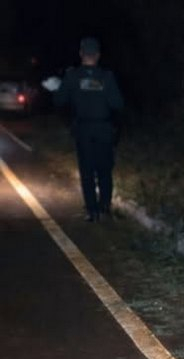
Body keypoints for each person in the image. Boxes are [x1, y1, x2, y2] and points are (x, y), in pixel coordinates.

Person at [43, 37, 123, 221]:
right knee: (104, 170)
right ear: (98, 55)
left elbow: (59, 101)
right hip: (103, 128)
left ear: (81, 54)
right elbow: (118, 104)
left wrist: (62, 90)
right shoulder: (107, 77)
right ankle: (104, 208)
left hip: (83, 129)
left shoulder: (72, 76)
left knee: (87, 171)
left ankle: (91, 211)